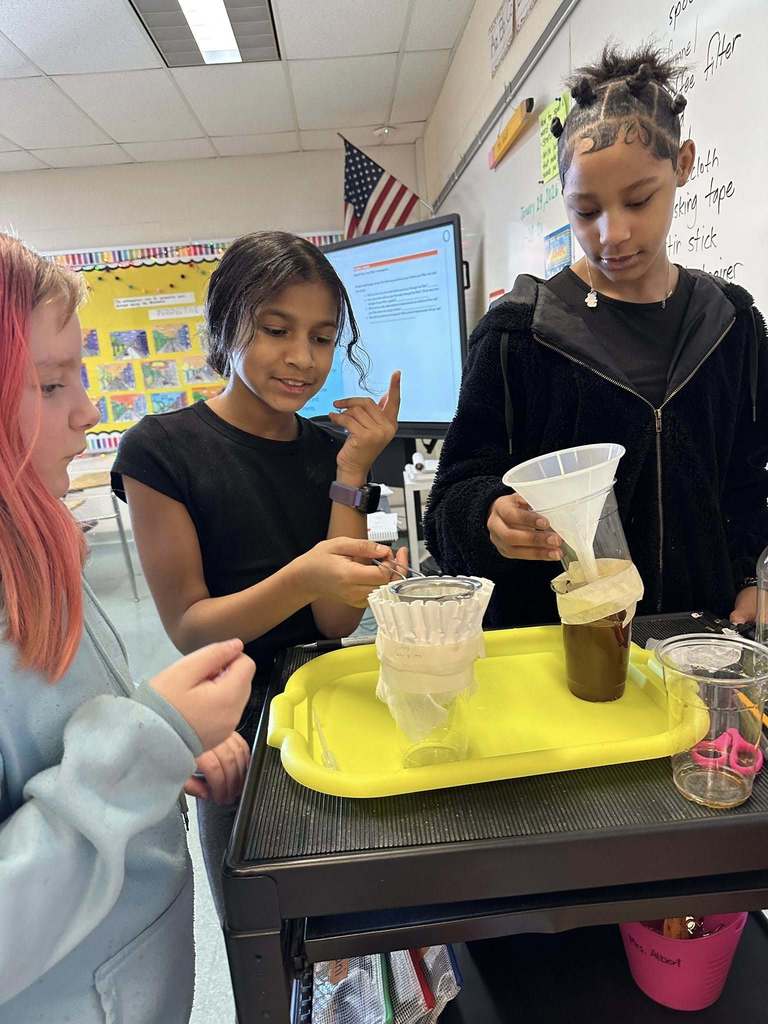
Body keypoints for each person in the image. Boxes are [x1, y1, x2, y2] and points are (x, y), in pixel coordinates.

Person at [0, 234, 255, 1024]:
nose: (87, 409)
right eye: (49, 384)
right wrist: (147, 741)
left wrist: (159, 751)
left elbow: (63, 740)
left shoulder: (37, 548)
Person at [425, 44, 768, 631]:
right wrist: (487, 517)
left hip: (701, 639)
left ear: (682, 164)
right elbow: (451, 497)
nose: (614, 233)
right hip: (560, 654)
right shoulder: (518, 335)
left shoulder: (731, 322)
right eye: (585, 211)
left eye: (639, 200)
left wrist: (753, 575)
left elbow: (749, 474)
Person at [112, 231, 405, 915]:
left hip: (331, 717)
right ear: (226, 324)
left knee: (351, 932)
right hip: (234, 739)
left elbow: (334, 623)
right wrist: (304, 577)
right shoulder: (161, 450)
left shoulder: (333, 450)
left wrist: (354, 471)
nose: (302, 358)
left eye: (324, 338)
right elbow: (191, 628)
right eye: (276, 330)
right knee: (267, 943)